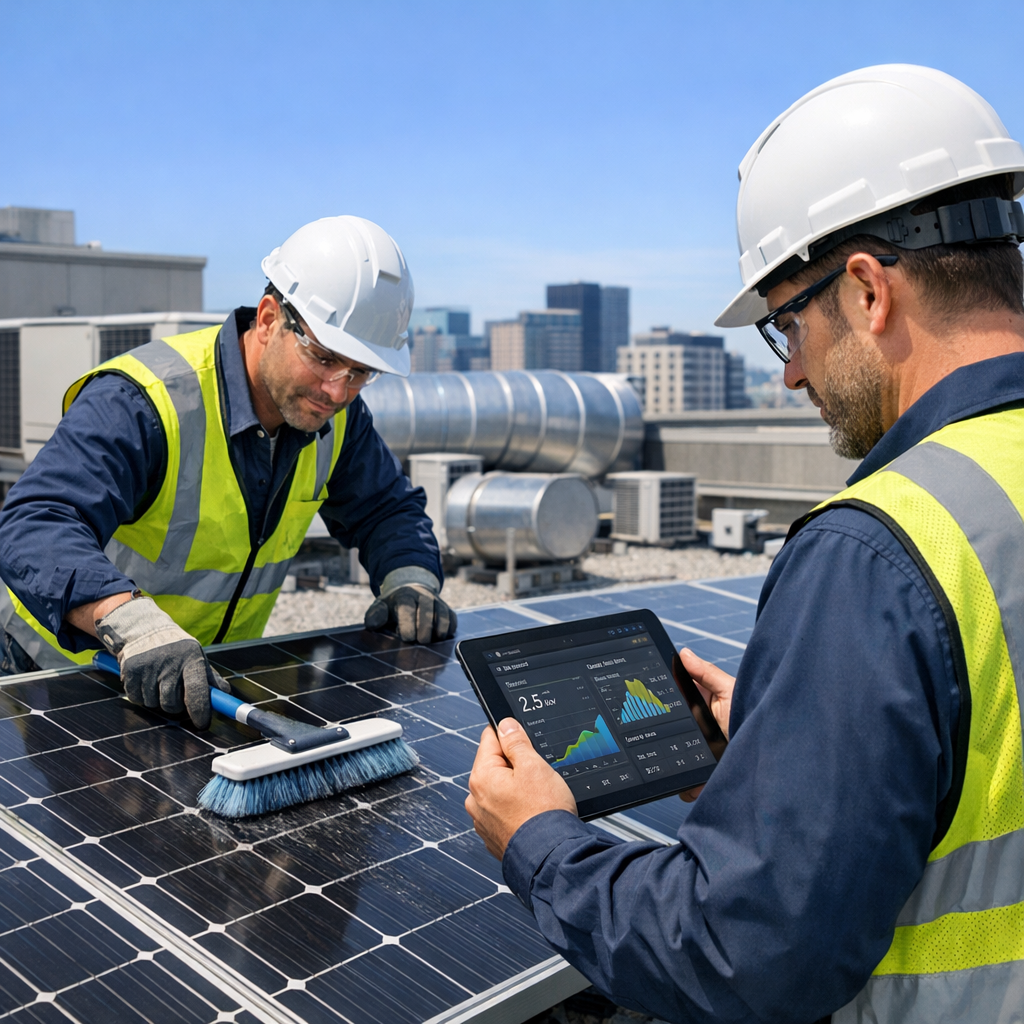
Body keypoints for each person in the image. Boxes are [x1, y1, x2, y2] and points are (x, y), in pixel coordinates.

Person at [466, 65, 1024, 1023]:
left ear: (864, 292)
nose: (792, 375)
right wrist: (798, 747)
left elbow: (744, 954)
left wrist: (544, 842)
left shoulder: (878, 554)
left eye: (785, 325)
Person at [0, 215, 456, 729]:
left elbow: (386, 509)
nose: (337, 390)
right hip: (59, 676)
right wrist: (133, 625)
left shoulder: (339, 419)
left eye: (360, 372)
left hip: (198, 683)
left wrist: (410, 580)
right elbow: (37, 521)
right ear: (267, 319)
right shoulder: (145, 402)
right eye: (324, 358)